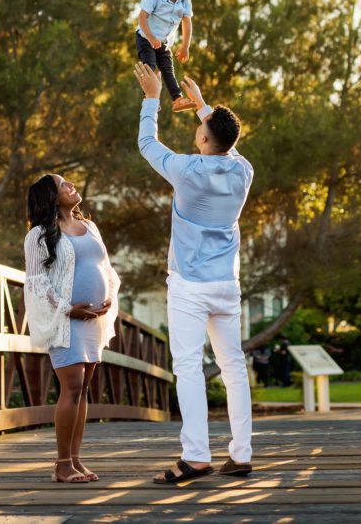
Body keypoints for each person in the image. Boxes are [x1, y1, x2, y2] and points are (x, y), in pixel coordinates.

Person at [132, 63, 255, 484]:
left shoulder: (186, 169)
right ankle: (241, 455)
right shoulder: (243, 171)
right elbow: (228, 144)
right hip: (226, 285)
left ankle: (196, 457)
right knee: (233, 365)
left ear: (203, 138)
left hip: (188, 284)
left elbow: (147, 142)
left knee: (187, 366)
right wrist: (202, 107)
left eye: (200, 131)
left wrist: (152, 97)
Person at [23, 174, 120, 484]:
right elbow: (37, 283)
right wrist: (68, 309)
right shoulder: (39, 235)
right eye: (62, 184)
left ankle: (75, 459)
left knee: (83, 387)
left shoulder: (90, 227)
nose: (71, 185)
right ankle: (62, 464)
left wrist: (107, 300)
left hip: (92, 319)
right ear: (51, 197)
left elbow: (106, 269)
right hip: (64, 320)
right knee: (73, 386)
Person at [136, 0, 196, 113]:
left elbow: (187, 22)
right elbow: (142, 17)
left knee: (168, 70)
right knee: (150, 65)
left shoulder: (185, 0)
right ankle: (149, 97)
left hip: (164, 43)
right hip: (145, 37)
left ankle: (177, 99)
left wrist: (185, 46)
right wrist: (150, 37)